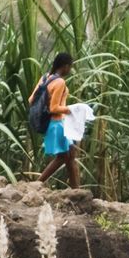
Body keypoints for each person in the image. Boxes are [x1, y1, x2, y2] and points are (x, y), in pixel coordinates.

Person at [34, 52, 79, 188]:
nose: (69, 70)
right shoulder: (59, 82)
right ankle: (37, 184)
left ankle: (77, 191)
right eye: (69, 67)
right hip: (58, 123)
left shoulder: (45, 78)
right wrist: (71, 110)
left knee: (70, 156)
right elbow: (54, 108)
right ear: (65, 66)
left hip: (51, 123)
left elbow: (32, 99)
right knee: (63, 157)